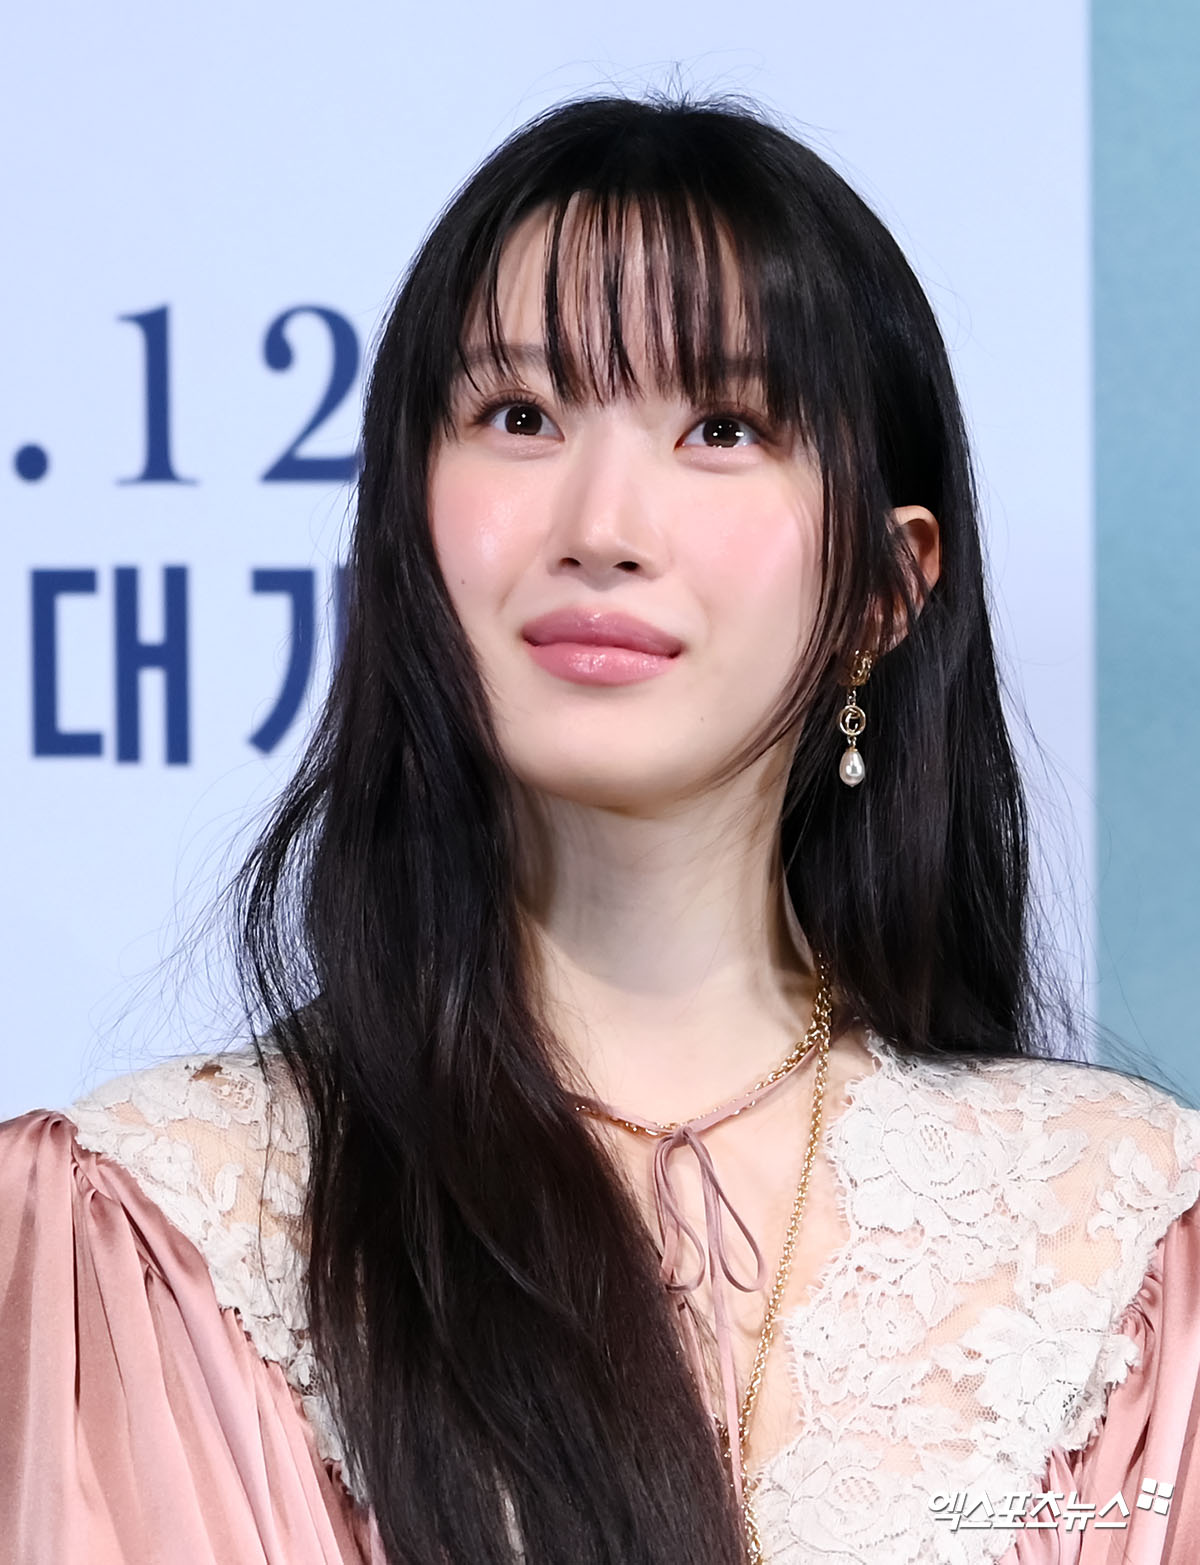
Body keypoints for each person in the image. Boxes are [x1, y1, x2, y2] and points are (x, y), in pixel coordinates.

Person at [2, 93, 1198, 1565]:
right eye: (520, 417)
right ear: (403, 524)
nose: (601, 525)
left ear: (887, 588)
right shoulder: (164, 1227)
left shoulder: (1124, 1246)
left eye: (722, 427)